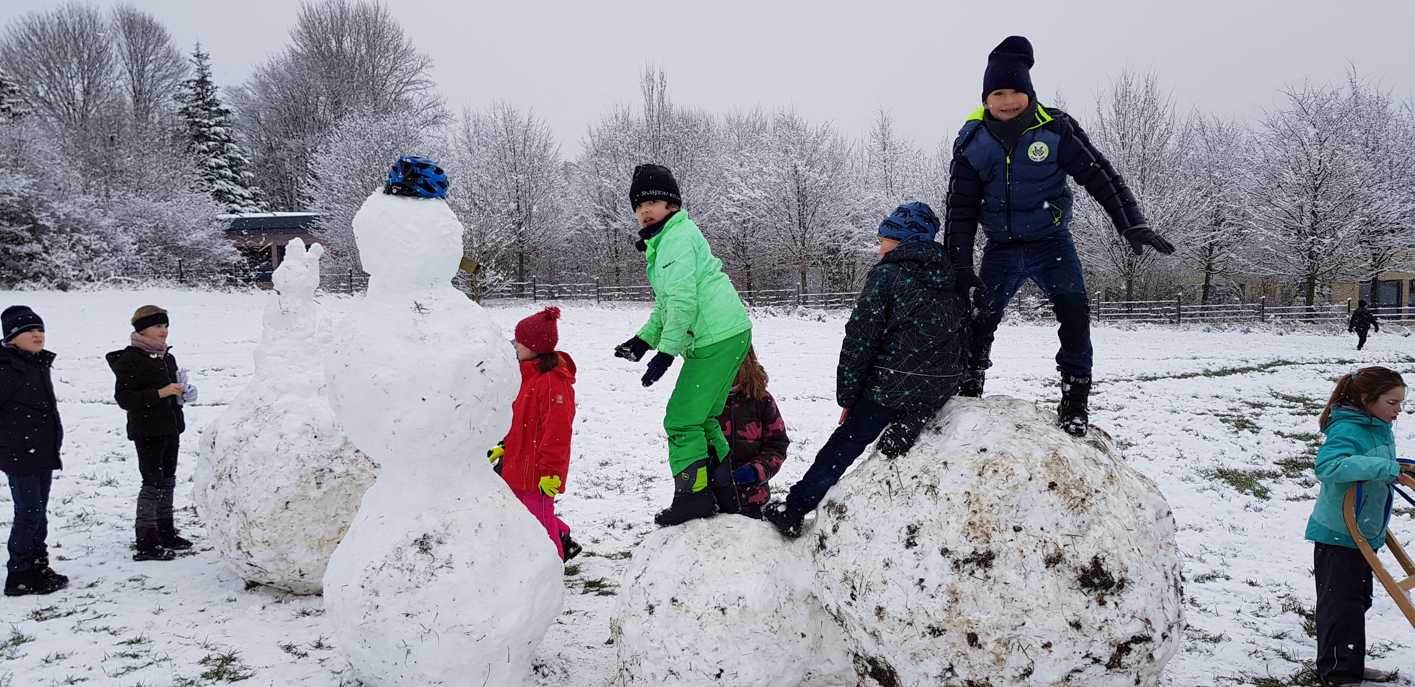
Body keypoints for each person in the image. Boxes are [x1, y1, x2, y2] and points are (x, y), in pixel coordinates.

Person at [944, 35, 1176, 436]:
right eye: (997, 92)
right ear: (985, 99)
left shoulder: (1055, 130)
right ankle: (969, 391)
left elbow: (1100, 175)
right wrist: (960, 263)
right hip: (1000, 249)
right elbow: (960, 209)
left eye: (1016, 91)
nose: (1007, 100)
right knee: (978, 322)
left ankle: (1074, 400)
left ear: (1029, 94)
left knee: (1074, 318)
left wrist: (1130, 221)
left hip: (1051, 242)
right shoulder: (972, 142)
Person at [765, 202, 967, 538]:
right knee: (911, 401)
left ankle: (796, 508)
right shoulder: (949, 275)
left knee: (846, 443)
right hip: (937, 384)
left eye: (884, 238)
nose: (880, 246)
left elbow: (861, 337)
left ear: (901, 240)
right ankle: (914, 416)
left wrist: (849, 394)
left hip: (890, 384)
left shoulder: (887, 274)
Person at [613, 164, 753, 527]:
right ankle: (725, 495)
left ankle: (693, 498)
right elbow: (666, 304)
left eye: (654, 201)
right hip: (726, 334)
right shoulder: (665, 240)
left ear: (672, 204)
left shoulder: (674, 240)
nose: (645, 210)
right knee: (702, 419)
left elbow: (683, 304)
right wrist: (643, 340)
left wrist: (666, 353)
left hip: (715, 337)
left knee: (680, 420)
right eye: (638, 205)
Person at [1304, 366, 1405, 686]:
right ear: (1366, 399)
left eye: (1401, 403)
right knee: (1340, 606)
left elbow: (1379, 468)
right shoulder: (1348, 428)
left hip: (1363, 533)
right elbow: (1329, 466)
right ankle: (1338, 673)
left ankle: (1348, 660)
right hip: (1338, 534)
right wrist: (1383, 468)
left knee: (1358, 601)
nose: (1399, 410)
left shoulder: (1377, 426)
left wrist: (1395, 469)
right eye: (1392, 403)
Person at [106, 305, 197, 562]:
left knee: (168, 479)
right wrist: (160, 393)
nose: (164, 331)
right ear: (142, 329)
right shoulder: (130, 359)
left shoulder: (167, 357)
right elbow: (124, 398)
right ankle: (146, 540)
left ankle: (165, 530)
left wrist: (184, 393)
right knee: (152, 482)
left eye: (166, 326)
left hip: (171, 427)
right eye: (158, 326)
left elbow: (173, 388)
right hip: (147, 430)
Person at [498, 306, 580, 561]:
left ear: (535, 346)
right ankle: (563, 533)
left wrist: (551, 473)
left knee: (539, 526)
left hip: (538, 475)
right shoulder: (522, 376)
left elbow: (557, 433)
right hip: (515, 465)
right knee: (521, 515)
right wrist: (503, 445)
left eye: (520, 341)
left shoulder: (553, 382)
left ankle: (552, 569)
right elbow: (515, 419)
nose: (515, 345)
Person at [1, 306, 68, 596]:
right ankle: (19, 574)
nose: (38, 335)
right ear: (12, 337)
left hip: (41, 449)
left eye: (40, 329)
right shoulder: (6, 367)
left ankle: (39, 565)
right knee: (28, 511)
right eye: (29, 330)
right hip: (18, 451)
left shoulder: (36, 363)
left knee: (38, 512)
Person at [717, 347, 790, 519]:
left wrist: (755, 471)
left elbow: (777, 444)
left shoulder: (761, 400)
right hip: (710, 498)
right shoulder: (704, 401)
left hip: (751, 498)